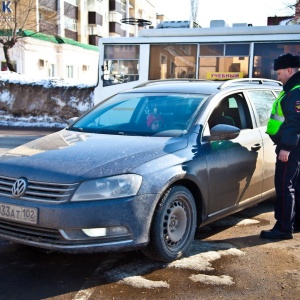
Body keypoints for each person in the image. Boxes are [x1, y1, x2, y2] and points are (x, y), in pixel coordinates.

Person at [260, 53, 300, 240]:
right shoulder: (292, 89)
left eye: (279, 73)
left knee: (285, 187)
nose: (278, 77)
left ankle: (283, 228)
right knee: (294, 186)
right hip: (294, 147)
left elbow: (295, 122)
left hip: (290, 149)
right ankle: (294, 221)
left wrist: (286, 148)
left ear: (289, 70)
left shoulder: (295, 92)